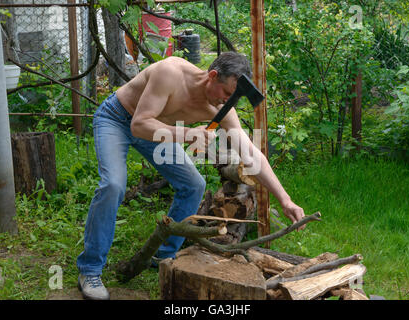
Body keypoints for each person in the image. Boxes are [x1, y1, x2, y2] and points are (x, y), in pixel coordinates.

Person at [76, 52, 305, 300]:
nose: (228, 101)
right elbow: (139, 124)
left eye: (233, 97)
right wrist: (186, 134)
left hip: (158, 131)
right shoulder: (170, 73)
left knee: (194, 184)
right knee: (113, 184)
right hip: (118, 119)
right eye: (226, 94)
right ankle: (90, 269)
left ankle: (163, 255)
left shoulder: (222, 108)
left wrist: (285, 198)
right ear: (213, 76)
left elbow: (252, 155)